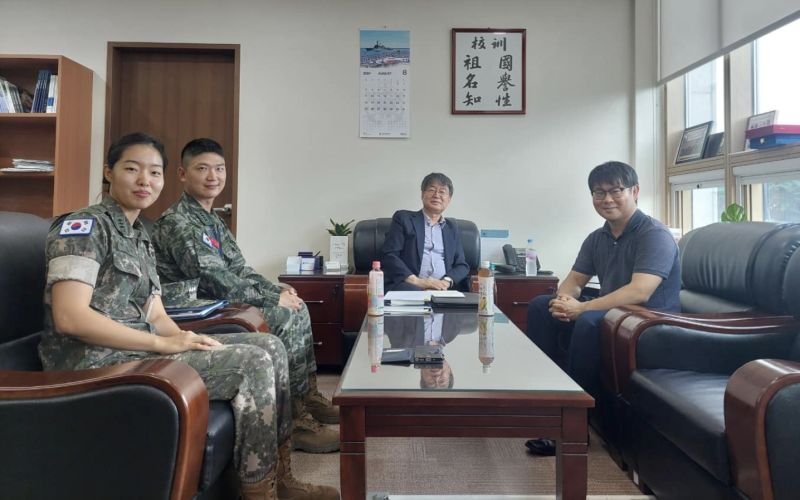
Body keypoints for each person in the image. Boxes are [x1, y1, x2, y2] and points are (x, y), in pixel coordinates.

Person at [38, 132, 338, 499]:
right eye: (132, 169)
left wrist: (183, 337)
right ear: (109, 172)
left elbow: (155, 311)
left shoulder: (139, 234)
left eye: (154, 172)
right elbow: (70, 318)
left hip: (135, 350)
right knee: (252, 364)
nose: (145, 180)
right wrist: (162, 344)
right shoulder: (83, 227)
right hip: (92, 361)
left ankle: (278, 476)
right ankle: (259, 493)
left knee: (270, 347)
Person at [150, 138, 338, 454]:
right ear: (182, 174)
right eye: (202, 169)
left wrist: (273, 289)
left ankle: (306, 397)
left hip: (215, 302)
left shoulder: (211, 219)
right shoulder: (179, 222)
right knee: (283, 313)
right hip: (190, 308)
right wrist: (271, 300)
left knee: (296, 304)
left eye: (219, 169)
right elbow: (215, 280)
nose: (213, 177)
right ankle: (295, 421)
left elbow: (239, 268)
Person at [524, 161, 680, 456]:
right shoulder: (598, 237)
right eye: (599, 192)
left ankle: (572, 427)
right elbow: (574, 281)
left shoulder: (654, 234)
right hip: (613, 313)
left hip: (650, 323)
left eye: (616, 191)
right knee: (541, 306)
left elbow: (640, 291)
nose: (607, 199)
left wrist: (582, 309)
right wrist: (563, 301)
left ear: (635, 191)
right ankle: (545, 404)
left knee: (589, 321)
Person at [381, 173, 470, 292]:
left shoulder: (451, 228)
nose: (436, 195)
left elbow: (461, 265)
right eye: (431, 190)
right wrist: (418, 282)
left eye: (442, 192)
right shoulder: (404, 219)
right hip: (410, 286)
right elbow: (389, 255)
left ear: (448, 200)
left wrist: (445, 282)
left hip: (443, 289)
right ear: (422, 194)